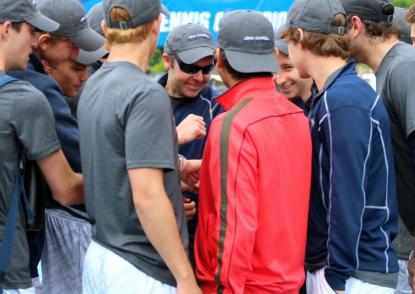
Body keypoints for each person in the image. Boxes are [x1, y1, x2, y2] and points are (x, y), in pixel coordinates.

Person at [77, 0, 201, 293]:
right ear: (156, 26)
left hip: (101, 252)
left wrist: (175, 170)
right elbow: (147, 196)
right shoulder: (146, 93)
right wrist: (185, 277)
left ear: (106, 29)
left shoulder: (92, 85)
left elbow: (116, 166)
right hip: (140, 265)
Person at [284, 0, 399, 292]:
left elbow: (346, 196)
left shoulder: (343, 100)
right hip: (346, 268)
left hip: (352, 273)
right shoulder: (336, 94)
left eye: (287, 43)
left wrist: (335, 277)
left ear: (298, 36)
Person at [195, 10, 312, 293]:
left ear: (219, 58)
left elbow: (234, 225)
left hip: (244, 285)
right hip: (287, 280)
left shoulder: (233, 124)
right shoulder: (297, 116)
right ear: (271, 55)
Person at [8, 0, 104, 292]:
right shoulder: (36, 90)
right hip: (16, 255)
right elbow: (69, 182)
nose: (35, 40)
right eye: (73, 52)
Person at [339, 0, 415, 292]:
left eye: (335, 28)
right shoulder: (390, 67)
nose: (328, 39)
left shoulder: (404, 65)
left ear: (355, 26)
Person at [159, 23, 223, 266]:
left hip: (202, 238)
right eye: (189, 67)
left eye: (207, 68)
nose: (199, 77)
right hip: (154, 233)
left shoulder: (218, 107)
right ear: (167, 60)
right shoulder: (145, 101)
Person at [274, 25, 313, 113]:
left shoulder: (330, 103)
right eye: (274, 69)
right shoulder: (273, 109)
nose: (279, 80)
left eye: (287, 68)